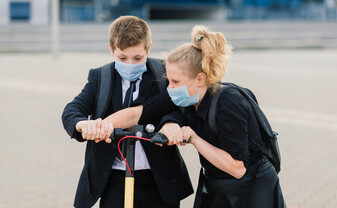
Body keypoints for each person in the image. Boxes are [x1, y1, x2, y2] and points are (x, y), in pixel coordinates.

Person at [102, 24, 286, 207]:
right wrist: (101, 126)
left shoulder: (229, 103)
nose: (169, 88)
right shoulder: (188, 97)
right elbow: (141, 112)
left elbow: (237, 168)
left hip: (252, 189)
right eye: (168, 80)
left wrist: (194, 139)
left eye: (175, 82)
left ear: (200, 79)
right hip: (215, 183)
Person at [61, 15, 193, 208]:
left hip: (158, 179)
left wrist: (171, 123)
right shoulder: (100, 78)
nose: (130, 64)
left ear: (148, 48)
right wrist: (82, 124)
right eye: (122, 58)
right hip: (114, 178)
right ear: (111, 50)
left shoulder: (165, 74)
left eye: (138, 58)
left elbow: (180, 107)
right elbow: (72, 110)